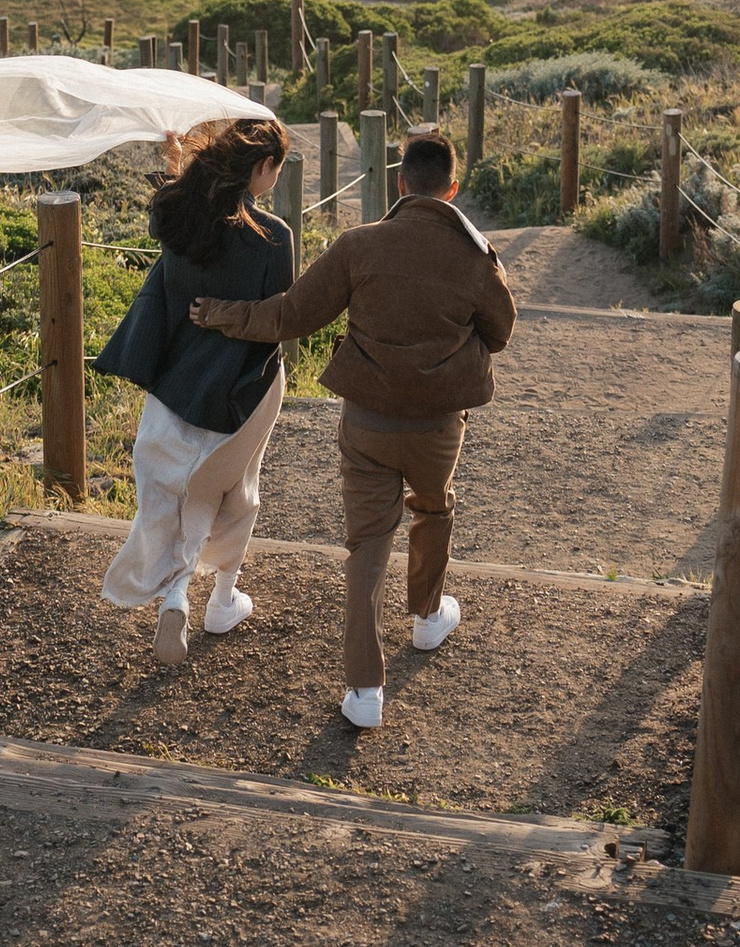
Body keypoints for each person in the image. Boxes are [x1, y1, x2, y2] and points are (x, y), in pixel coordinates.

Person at [192, 128, 515, 730]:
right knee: (434, 506)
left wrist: (216, 313)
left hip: (366, 421)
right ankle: (425, 617)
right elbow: (500, 333)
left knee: (368, 544)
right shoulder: (476, 257)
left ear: (399, 183)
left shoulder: (358, 245)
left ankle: (365, 692)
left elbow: (290, 315)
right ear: (452, 187)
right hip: (439, 426)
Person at [94, 111, 292, 667]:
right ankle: (220, 599)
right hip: (240, 391)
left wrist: (176, 164)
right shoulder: (274, 239)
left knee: (169, 494)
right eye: (276, 169)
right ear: (261, 167)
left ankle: (175, 593)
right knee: (232, 493)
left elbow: (175, 206)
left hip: (172, 380)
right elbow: (277, 319)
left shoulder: (175, 214)